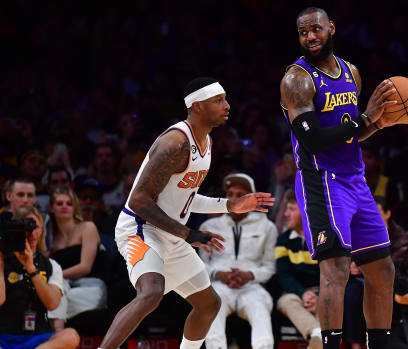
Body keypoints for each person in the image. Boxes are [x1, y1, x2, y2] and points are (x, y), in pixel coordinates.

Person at [100, 77, 274, 349]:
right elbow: (138, 200)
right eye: (218, 100)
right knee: (151, 293)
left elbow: (185, 199)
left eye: (225, 99)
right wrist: (188, 233)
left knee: (209, 304)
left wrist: (229, 205)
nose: (227, 106)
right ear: (197, 106)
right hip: (140, 229)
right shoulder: (174, 143)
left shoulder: (207, 142)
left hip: (171, 233)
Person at [279, 7, 398, 348]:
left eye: (316, 29)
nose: (310, 37)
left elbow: (350, 133)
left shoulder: (351, 72)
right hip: (322, 181)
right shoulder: (296, 79)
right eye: (303, 32)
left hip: (356, 181)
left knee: (382, 269)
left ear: (331, 28)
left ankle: (380, 343)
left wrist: (375, 124)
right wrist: (364, 120)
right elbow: (313, 139)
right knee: (337, 269)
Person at [198, 173, 278, 349]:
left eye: (240, 195)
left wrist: (249, 275)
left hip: (251, 285)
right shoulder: (209, 227)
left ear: (251, 198)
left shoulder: (267, 227)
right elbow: (199, 265)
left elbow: (269, 267)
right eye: (230, 194)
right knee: (211, 304)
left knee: (260, 307)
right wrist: (218, 274)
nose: (234, 199)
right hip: (218, 284)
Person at [0, 206, 80, 349]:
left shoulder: (51, 265)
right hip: (4, 336)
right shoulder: (3, 260)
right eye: (25, 228)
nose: (32, 233)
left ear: (42, 230)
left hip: (38, 339)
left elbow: (52, 303)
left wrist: (31, 268)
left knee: (71, 336)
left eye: (35, 227)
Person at [47, 186, 106, 330]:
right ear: (51, 208)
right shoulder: (52, 237)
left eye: (69, 203)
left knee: (53, 302)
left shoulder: (88, 227)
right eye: (59, 204)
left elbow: (85, 267)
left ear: (75, 207)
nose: (64, 207)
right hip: (63, 287)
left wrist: (56, 276)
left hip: (91, 287)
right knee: (56, 298)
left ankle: (56, 338)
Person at [275, 189, 322, 349]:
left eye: (291, 209)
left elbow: (331, 275)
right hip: (295, 293)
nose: (285, 214)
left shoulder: (323, 238)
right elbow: (284, 276)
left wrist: (316, 296)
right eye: (286, 209)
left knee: (330, 302)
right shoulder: (283, 240)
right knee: (285, 301)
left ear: (305, 212)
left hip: (323, 292)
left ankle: (318, 337)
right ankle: (316, 332)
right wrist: (303, 294)